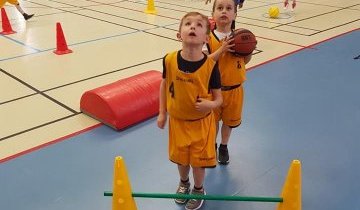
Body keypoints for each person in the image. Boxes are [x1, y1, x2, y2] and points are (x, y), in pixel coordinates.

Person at [157, 11, 222, 210]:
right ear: (179, 35)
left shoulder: (211, 66)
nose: (192, 27)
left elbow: (219, 99)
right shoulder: (169, 59)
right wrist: (162, 112)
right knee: (181, 158)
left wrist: (209, 105)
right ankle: (184, 183)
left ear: (206, 38)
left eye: (199, 25)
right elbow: (164, 85)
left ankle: (199, 188)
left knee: (197, 162)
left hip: (201, 124)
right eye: (187, 24)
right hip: (177, 121)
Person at [204, 0, 252, 165]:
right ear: (213, 14)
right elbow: (205, 62)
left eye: (229, 8)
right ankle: (213, 144)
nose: (224, 11)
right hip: (214, 90)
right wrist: (222, 49)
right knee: (213, 122)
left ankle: (224, 146)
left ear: (235, 14)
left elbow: (244, 61)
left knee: (230, 122)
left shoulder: (241, 36)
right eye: (220, 8)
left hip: (235, 90)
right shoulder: (207, 38)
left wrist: (248, 50)